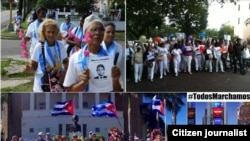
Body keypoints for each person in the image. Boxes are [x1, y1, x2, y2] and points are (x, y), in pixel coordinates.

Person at [63, 14, 122, 92]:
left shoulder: (109, 59)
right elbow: (70, 90)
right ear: (85, 33)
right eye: (94, 29)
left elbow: (117, 91)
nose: (98, 32)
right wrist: (83, 82)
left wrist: (115, 79)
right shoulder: (75, 58)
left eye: (101, 29)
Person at [24, 19, 68, 92]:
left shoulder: (61, 45)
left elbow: (65, 61)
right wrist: (29, 68)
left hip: (57, 83)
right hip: (41, 84)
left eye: (53, 32)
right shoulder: (39, 47)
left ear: (57, 33)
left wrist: (65, 72)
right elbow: (34, 65)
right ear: (43, 33)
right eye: (48, 32)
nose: (51, 34)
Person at [101, 22, 125, 89]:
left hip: (115, 84)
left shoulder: (119, 48)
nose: (111, 34)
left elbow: (123, 69)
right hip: (100, 84)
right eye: (108, 32)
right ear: (103, 33)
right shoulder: (97, 47)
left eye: (113, 32)